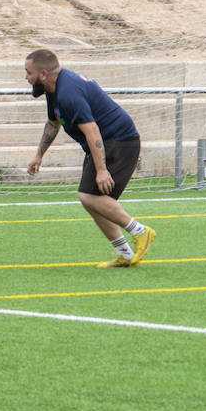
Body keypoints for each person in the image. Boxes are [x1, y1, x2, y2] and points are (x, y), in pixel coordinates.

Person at [24, 49, 157, 268]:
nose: (26, 78)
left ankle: (141, 232)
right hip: (106, 143)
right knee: (91, 200)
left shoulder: (68, 93)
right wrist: (38, 155)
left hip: (119, 141)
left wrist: (102, 170)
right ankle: (124, 254)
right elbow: (53, 123)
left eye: (29, 73)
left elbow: (92, 130)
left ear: (44, 73)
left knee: (89, 196)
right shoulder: (52, 88)